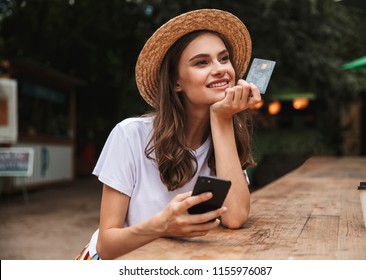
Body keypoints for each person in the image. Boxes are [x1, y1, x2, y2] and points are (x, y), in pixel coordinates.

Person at [77, 8, 261, 260]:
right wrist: (161, 225)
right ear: (176, 82)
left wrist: (221, 119)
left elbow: (235, 216)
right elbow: (107, 245)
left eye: (224, 58)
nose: (220, 69)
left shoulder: (225, 132)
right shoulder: (130, 135)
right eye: (201, 62)